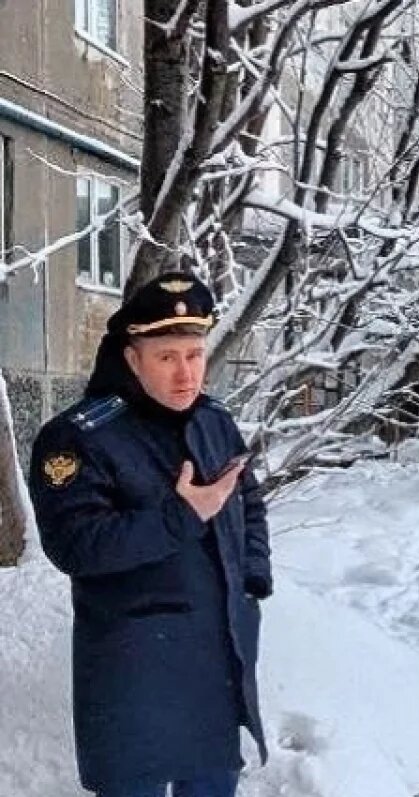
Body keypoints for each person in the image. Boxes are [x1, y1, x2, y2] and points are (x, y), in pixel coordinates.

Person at [28, 273, 271, 797]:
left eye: (195, 353)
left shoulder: (213, 423)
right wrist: (181, 515)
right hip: (134, 669)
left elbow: (247, 503)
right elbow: (76, 544)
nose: (186, 374)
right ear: (132, 358)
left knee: (212, 785)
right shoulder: (77, 438)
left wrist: (251, 581)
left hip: (214, 663)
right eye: (167, 357)